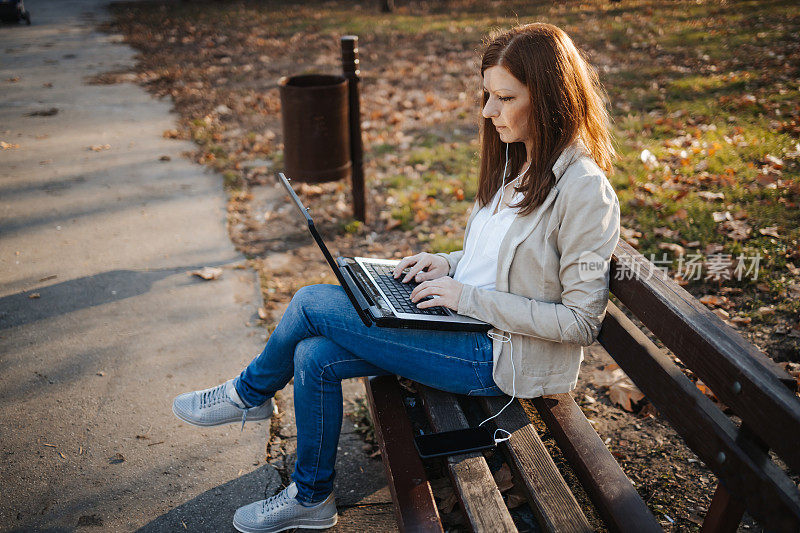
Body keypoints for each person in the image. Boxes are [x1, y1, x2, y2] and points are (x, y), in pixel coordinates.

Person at [172, 22, 620, 533]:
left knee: (311, 303)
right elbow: (507, 258)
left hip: (498, 354)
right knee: (312, 356)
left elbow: (581, 321)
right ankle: (311, 498)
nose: (487, 112)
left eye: (504, 98)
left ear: (549, 99)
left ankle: (247, 395)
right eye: (486, 95)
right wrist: (448, 264)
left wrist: (468, 297)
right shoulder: (520, 159)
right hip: (462, 322)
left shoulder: (585, 190)